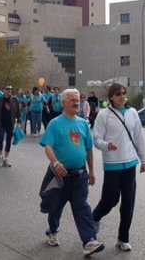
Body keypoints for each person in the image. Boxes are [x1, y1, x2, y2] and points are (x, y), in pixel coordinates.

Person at [39, 88, 105, 256]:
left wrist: (91, 171)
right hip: (60, 176)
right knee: (56, 207)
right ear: (63, 103)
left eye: (78, 100)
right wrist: (56, 163)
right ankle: (53, 230)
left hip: (79, 175)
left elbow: (89, 149)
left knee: (82, 207)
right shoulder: (55, 123)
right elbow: (47, 146)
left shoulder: (83, 123)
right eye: (72, 100)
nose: (77, 103)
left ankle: (89, 240)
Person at [92, 82, 145, 252]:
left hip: (130, 163)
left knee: (128, 203)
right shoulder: (104, 116)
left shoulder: (132, 113)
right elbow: (96, 140)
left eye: (124, 93)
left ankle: (123, 238)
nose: (122, 96)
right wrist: (106, 145)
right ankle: (93, 218)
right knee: (110, 200)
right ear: (111, 97)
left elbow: (139, 137)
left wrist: (144, 160)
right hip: (112, 164)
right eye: (118, 94)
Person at [0, 84, 21, 167]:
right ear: (3, 90)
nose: (9, 90)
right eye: (7, 89)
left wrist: (18, 121)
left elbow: (18, 111)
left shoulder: (14, 100)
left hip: (10, 123)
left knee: (8, 141)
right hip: (1, 123)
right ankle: (0, 156)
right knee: (0, 140)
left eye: (11, 89)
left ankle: (6, 159)